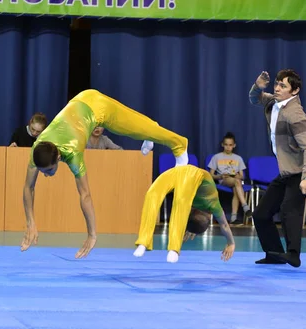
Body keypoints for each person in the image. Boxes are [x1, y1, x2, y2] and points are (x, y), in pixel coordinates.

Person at [20, 89, 189, 258]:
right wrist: (30, 223)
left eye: (49, 170)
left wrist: (92, 234)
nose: (46, 175)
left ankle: (179, 144)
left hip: (97, 108)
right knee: (138, 127)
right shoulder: (38, 148)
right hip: (79, 102)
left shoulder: (73, 153)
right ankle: (150, 132)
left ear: (58, 157)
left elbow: (85, 195)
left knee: (133, 127)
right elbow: (29, 187)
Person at [248, 69, 306, 268]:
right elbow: (254, 99)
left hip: (301, 172)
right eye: (276, 84)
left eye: (283, 86)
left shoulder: (296, 116)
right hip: (287, 173)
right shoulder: (274, 102)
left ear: (294, 91)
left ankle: (293, 255)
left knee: (289, 209)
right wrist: (258, 85)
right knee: (261, 214)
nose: (277, 88)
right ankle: (274, 253)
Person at [133, 165, 235, 263]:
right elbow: (224, 225)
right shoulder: (212, 203)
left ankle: (143, 242)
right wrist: (231, 243)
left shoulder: (210, 205)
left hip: (177, 171)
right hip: (191, 175)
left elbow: (224, 225)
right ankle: (173, 249)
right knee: (179, 203)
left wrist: (231, 243)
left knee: (153, 195)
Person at [208, 132, 250, 224]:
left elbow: (242, 176)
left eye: (230, 145)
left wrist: (237, 176)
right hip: (223, 179)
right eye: (226, 145)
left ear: (234, 145)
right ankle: (245, 206)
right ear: (222, 145)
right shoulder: (216, 157)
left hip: (235, 180)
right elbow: (210, 175)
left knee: (237, 185)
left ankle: (233, 218)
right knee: (237, 182)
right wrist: (220, 176)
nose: (228, 147)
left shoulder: (238, 158)